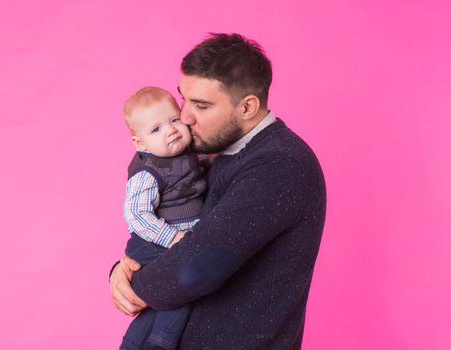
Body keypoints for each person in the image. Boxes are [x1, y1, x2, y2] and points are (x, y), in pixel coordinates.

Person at [110, 33, 326, 349]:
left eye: (201, 105)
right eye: (184, 99)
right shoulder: (218, 153)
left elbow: (196, 266)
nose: (184, 117)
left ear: (248, 106)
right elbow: (174, 231)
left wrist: (132, 282)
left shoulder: (279, 164)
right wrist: (122, 268)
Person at [120, 87, 207, 350]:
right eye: (156, 129)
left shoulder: (190, 152)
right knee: (182, 283)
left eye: (174, 120)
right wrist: (172, 238)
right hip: (152, 240)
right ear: (140, 143)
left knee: (164, 294)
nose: (170, 130)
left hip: (179, 235)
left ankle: (134, 343)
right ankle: (160, 342)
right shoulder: (148, 171)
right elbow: (136, 214)